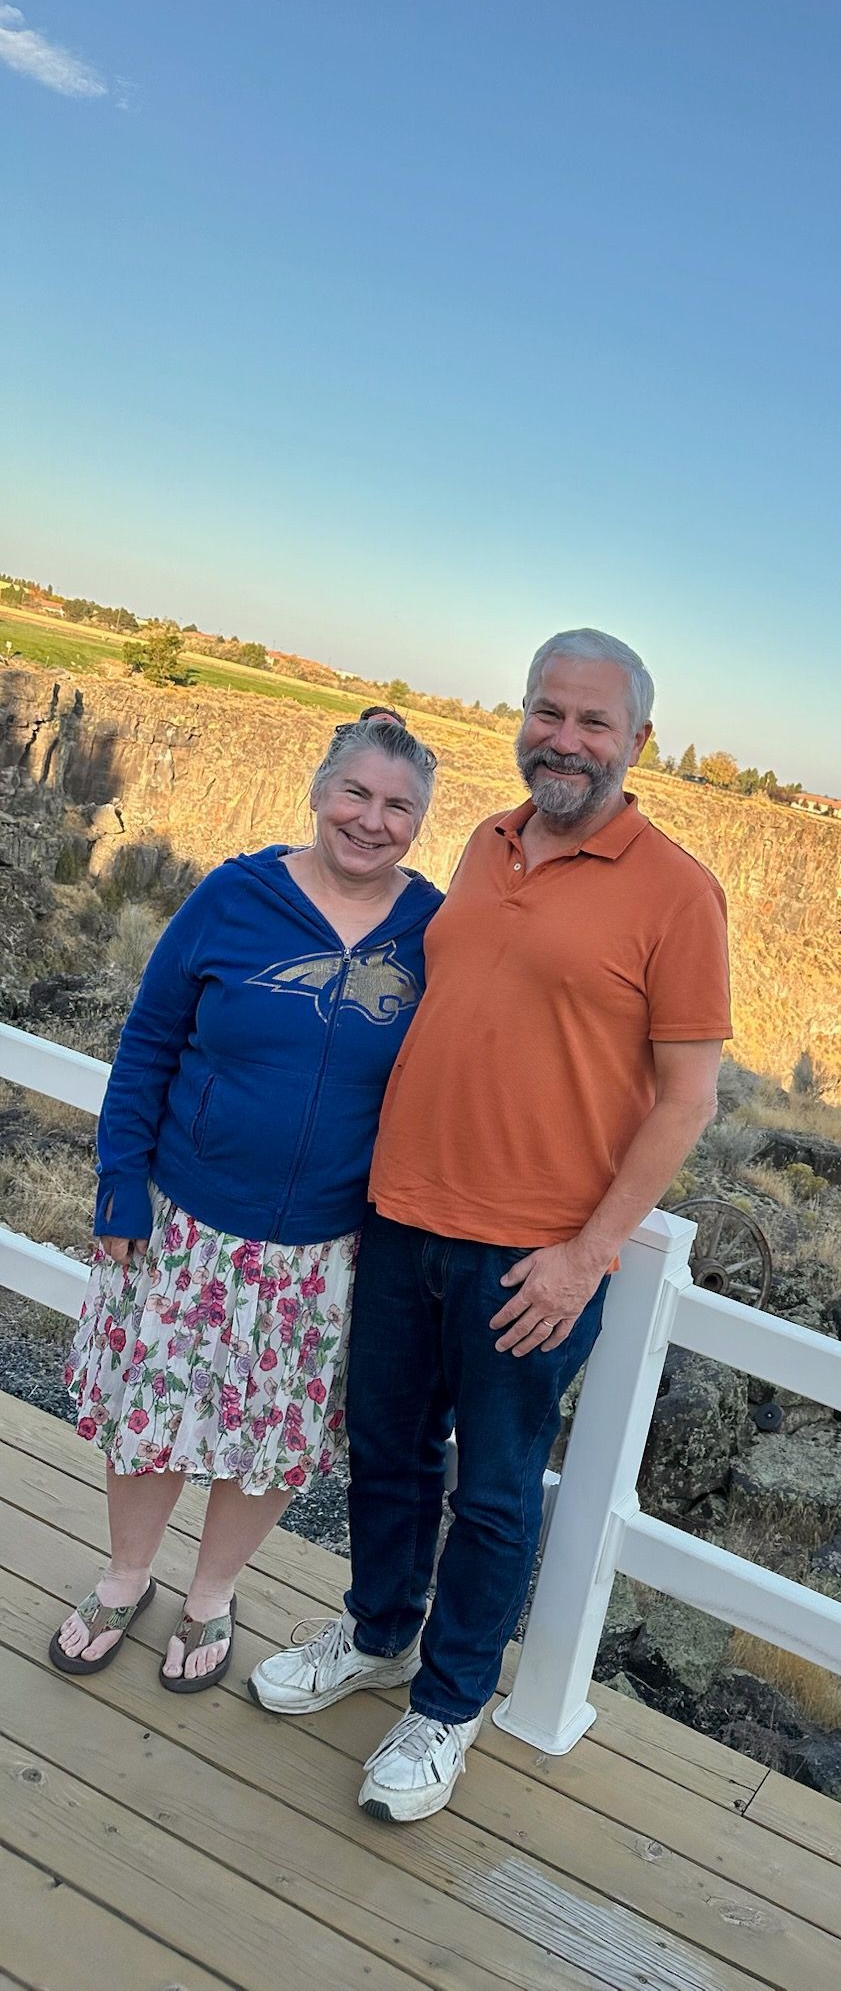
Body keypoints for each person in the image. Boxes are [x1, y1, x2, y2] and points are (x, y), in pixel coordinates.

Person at [250, 629, 731, 1822]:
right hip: (404, 1214)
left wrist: (587, 1253)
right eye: (547, 713)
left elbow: (687, 1099)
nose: (565, 740)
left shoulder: (676, 889)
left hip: (533, 1257)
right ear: (521, 717)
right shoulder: (482, 842)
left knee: (501, 1490)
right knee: (389, 1451)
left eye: (593, 722)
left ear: (638, 743)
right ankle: (376, 1635)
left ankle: (449, 1703)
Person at [52, 709, 441, 1692]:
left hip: (325, 1245)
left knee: (265, 1431)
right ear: (318, 791)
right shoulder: (236, 895)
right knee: (154, 1409)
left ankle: (211, 1595)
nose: (371, 818)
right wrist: (118, 1190)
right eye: (355, 791)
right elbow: (147, 1044)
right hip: (186, 1217)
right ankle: (125, 1574)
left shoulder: (433, 929)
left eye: (399, 806)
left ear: (419, 824)